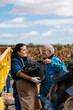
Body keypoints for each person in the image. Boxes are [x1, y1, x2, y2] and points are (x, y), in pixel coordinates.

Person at [11, 43, 41, 110]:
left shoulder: (26, 60)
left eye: (26, 49)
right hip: (20, 88)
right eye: (24, 50)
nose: (26, 51)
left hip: (29, 88)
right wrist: (31, 78)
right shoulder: (15, 61)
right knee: (21, 105)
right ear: (18, 52)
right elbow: (18, 73)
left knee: (31, 106)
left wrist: (43, 62)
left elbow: (34, 64)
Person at [40, 45, 66, 109]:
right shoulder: (42, 62)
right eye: (41, 51)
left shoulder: (56, 60)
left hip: (54, 91)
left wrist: (51, 62)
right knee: (45, 107)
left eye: (44, 50)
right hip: (43, 90)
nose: (42, 52)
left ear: (50, 52)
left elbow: (63, 69)